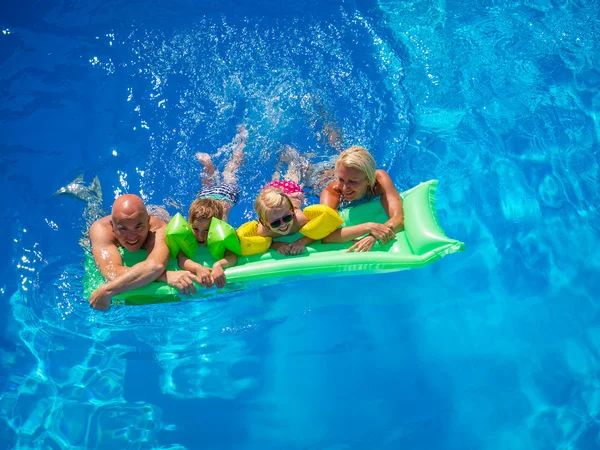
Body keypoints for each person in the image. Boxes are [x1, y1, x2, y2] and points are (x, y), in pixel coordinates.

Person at [87, 194, 198, 310]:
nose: (131, 236)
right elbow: (111, 272)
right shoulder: (100, 229)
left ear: (148, 221)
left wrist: (106, 290)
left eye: (138, 226)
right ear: (112, 226)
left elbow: (156, 265)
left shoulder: (160, 228)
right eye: (123, 229)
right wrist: (165, 276)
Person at [319, 145, 404, 252]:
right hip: (318, 177)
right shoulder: (331, 192)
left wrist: (374, 236)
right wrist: (369, 227)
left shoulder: (379, 181)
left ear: (369, 179)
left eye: (353, 181)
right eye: (341, 180)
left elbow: (399, 219)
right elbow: (326, 236)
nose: (345, 188)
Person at [176, 197, 238, 288]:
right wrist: (197, 268)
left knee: (225, 209)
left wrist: (218, 265)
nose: (200, 236)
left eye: (206, 230)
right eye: (195, 229)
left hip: (224, 201)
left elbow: (232, 257)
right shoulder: (187, 236)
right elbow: (181, 259)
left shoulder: (220, 236)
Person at [194, 125, 246, 222]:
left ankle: (242, 142)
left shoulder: (219, 227)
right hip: (206, 196)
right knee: (209, 180)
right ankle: (242, 142)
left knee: (231, 171)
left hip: (226, 196)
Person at [254, 187, 312, 255]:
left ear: (292, 211)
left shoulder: (300, 220)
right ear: (264, 223)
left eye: (287, 218)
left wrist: (302, 242)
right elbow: (262, 244)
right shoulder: (263, 232)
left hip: (293, 192)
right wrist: (276, 245)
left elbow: (318, 231)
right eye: (275, 223)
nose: (283, 224)